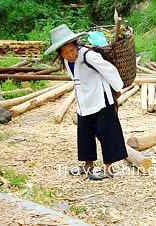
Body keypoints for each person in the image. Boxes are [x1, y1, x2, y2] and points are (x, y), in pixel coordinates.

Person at [44, 24, 128, 180]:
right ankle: (88, 165)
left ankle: (108, 168)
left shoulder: (88, 55)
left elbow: (108, 69)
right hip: (83, 102)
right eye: (66, 53)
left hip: (100, 99)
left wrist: (117, 88)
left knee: (107, 132)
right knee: (84, 133)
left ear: (76, 45)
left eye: (72, 50)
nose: (70, 55)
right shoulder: (67, 62)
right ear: (60, 54)